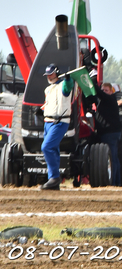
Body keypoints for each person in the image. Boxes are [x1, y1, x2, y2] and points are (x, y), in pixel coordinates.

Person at [40, 63, 73, 191]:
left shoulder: (62, 85)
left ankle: (54, 177)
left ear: (57, 73)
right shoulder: (48, 89)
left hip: (59, 121)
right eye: (47, 74)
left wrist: (68, 79)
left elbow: (68, 87)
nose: (49, 76)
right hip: (48, 122)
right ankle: (54, 182)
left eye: (51, 73)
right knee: (53, 150)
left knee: (46, 147)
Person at [86, 71, 122, 186]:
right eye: (103, 90)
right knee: (114, 157)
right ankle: (116, 182)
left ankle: (114, 182)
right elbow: (93, 97)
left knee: (112, 157)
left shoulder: (110, 99)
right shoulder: (103, 101)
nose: (104, 92)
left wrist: (92, 79)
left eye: (106, 90)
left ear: (111, 92)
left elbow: (98, 93)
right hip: (109, 132)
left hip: (110, 132)